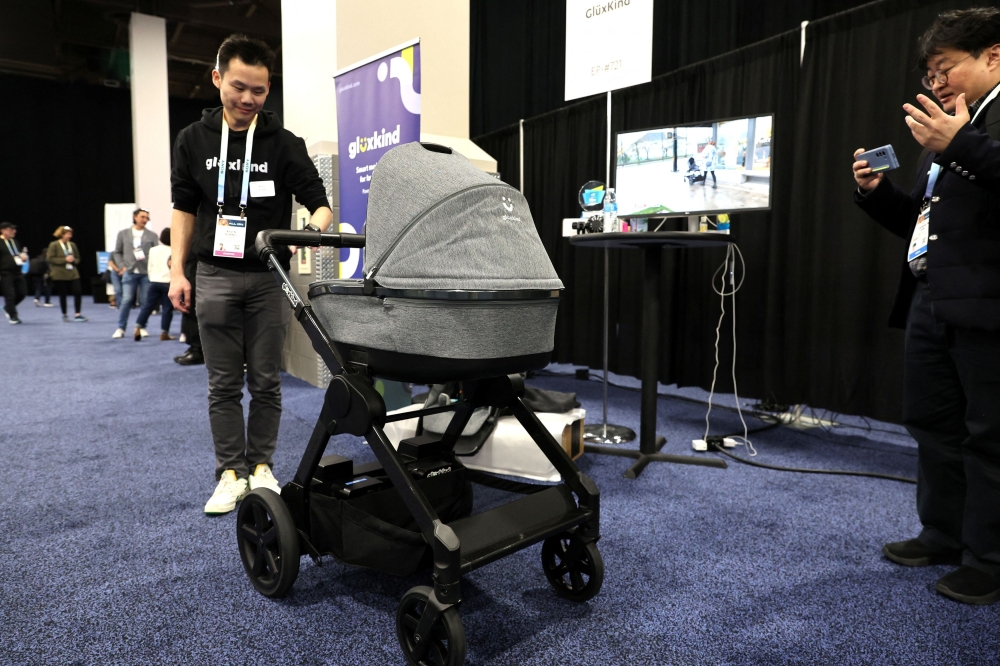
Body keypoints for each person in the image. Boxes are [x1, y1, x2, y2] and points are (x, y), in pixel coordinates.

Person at [853, 7, 1000, 605]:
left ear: (994, 56)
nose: (936, 83)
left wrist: (959, 143)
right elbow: (923, 224)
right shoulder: (950, 129)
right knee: (933, 424)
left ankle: (989, 560)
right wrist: (876, 193)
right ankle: (943, 533)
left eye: (945, 68)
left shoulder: (961, 132)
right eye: (930, 74)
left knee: (990, 436)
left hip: (988, 304)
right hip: (929, 296)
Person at [169, 34, 332, 515]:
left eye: (258, 91)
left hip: (268, 278)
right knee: (222, 383)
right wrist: (178, 271)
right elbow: (183, 209)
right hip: (213, 274)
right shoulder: (193, 139)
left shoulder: (284, 143)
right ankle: (229, 473)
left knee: (265, 380)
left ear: (268, 90)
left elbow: (320, 204)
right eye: (238, 87)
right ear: (217, 79)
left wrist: (308, 233)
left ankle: (260, 467)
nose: (247, 99)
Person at [111, 208, 158, 339]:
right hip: (129, 271)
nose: (145, 220)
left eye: (147, 218)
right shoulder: (123, 233)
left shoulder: (152, 235)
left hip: (146, 272)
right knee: (126, 299)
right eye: (142, 217)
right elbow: (117, 252)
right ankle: (121, 328)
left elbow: (156, 252)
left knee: (145, 301)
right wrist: (122, 266)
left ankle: (141, 327)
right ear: (135, 217)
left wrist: (153, 268)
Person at [134, 228, 175, 341]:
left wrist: (152, 278)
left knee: (148, 306)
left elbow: (150, 266)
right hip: (168, 282)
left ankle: (138, 326)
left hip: (154, 281)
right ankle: (164, 332)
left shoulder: (153, 250)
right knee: (167, 308)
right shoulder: (174, 251)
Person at [46, 226, 88, 322]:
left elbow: (78, 258)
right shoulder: (54, 245)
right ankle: (64, 314)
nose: (70, 236)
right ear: (62, 234)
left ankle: (78, 314)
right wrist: (64, 259)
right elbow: (50, 258)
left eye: (71, 234)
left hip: (73, 272)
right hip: (59, 273)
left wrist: (74, 260)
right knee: (63, 294)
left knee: (77, 292)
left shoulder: (72, 245)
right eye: (68, 234)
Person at [0, 221, 29, 324]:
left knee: (22, 293)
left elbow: (17, 255)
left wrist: (23, 258)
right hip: (5, 273)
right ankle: (13, 316)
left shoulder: (15, 242)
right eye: (11, 229)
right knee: (10, 295)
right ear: (3, 231)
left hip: (17, 272)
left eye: (14, 229)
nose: (14, 231)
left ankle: (8, 308)